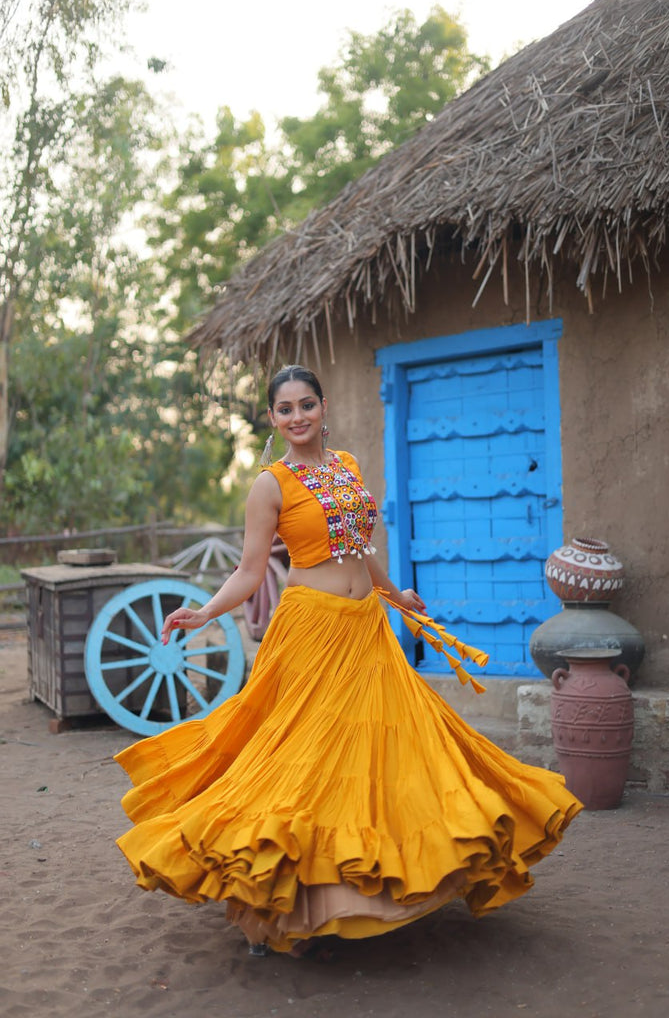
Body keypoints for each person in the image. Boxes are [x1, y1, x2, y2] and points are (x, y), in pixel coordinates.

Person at [114, 363, 582, 958]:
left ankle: (370, 889)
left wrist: (394, 594)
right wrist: (204, 614)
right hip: (312, 630)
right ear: (272, 418)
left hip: (366, 630)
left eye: (306, 404)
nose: (297, 416)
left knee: (383, 754)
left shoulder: (348, 467)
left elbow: (362, 549)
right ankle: (268, 905)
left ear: (323, 406)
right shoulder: (270, 484)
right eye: (285, 409)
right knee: (304, 760)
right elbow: (250, 570)